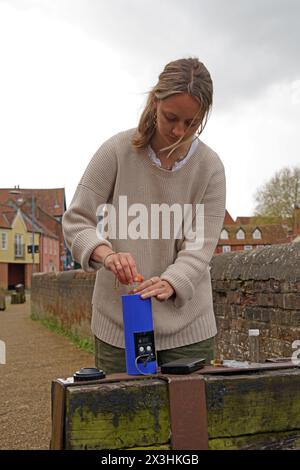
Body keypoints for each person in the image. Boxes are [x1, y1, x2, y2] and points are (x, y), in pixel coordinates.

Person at [62, 58, 226, 374]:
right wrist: (106, 254)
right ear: (155, 102)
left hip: (188, 329)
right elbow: (77, 220)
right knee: (120, 420)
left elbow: (201, 245)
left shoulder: (211, 168)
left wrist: (172, 281)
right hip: (119, 328)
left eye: (191, 123)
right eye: (171, 118)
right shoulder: (115, 151)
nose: (179, 131)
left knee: (191, 422)